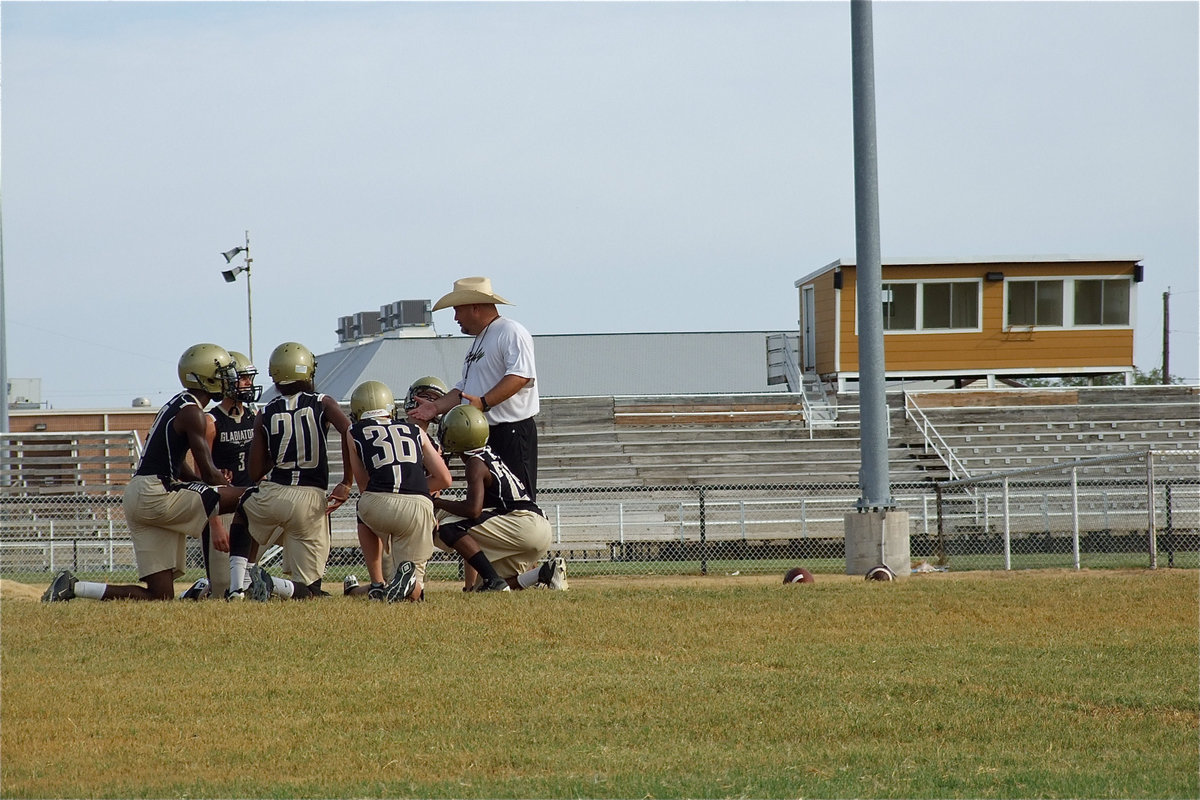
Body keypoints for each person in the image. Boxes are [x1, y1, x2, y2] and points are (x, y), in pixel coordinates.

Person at [43, 344, 245, 602]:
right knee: (248, 497)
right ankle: (243, 582)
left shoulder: (177, 405)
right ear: (205, 376)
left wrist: (209, 483)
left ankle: (73, 588)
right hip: (156, 492)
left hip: (140, 492)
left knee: (159, 596)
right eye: (223, 373)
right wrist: (232, 485)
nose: (228, 380)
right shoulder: (194, 413)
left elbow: (178, 462)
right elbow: (208, 472)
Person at [224, 341, 353, 601]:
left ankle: (238, 586)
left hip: (274, 493)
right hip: (311, 499)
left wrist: (278, 454)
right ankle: (275, 586)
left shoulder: (265, 411)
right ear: (308, 371)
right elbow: (351, 432)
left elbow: (255, 470)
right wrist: (347, 482)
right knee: (310, 591)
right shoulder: (323, 402)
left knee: (243, 513)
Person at [409, 276, 539, 500]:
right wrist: (435, 408)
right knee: (492, 501)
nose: (456, 318)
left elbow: (520, 376)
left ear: (475, 307)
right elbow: (465, 388)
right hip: (486, 433)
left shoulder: (510, 331)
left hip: (511, 431)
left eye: (457, 310)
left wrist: (484, 402)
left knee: (516, 500)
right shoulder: (481, 340)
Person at [432, 405, 566, 592]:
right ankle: (543, 573)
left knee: (448, 526)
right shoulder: (489, 455)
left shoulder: (475, 463)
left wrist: (437, 502)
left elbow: (473, 510)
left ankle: (493, 579)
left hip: (522, 524)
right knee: (483, 591)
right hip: (538, 526)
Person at [180, 350, 261, 600]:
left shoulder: (255, 416)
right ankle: (197, 593)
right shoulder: (211, 421)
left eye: (250, 378)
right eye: (244, 378)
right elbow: (200, 474)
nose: (249, 384)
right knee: (221, 588)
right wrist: (214, 522)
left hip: (249, 507)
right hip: (222, 509)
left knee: (246, 583)